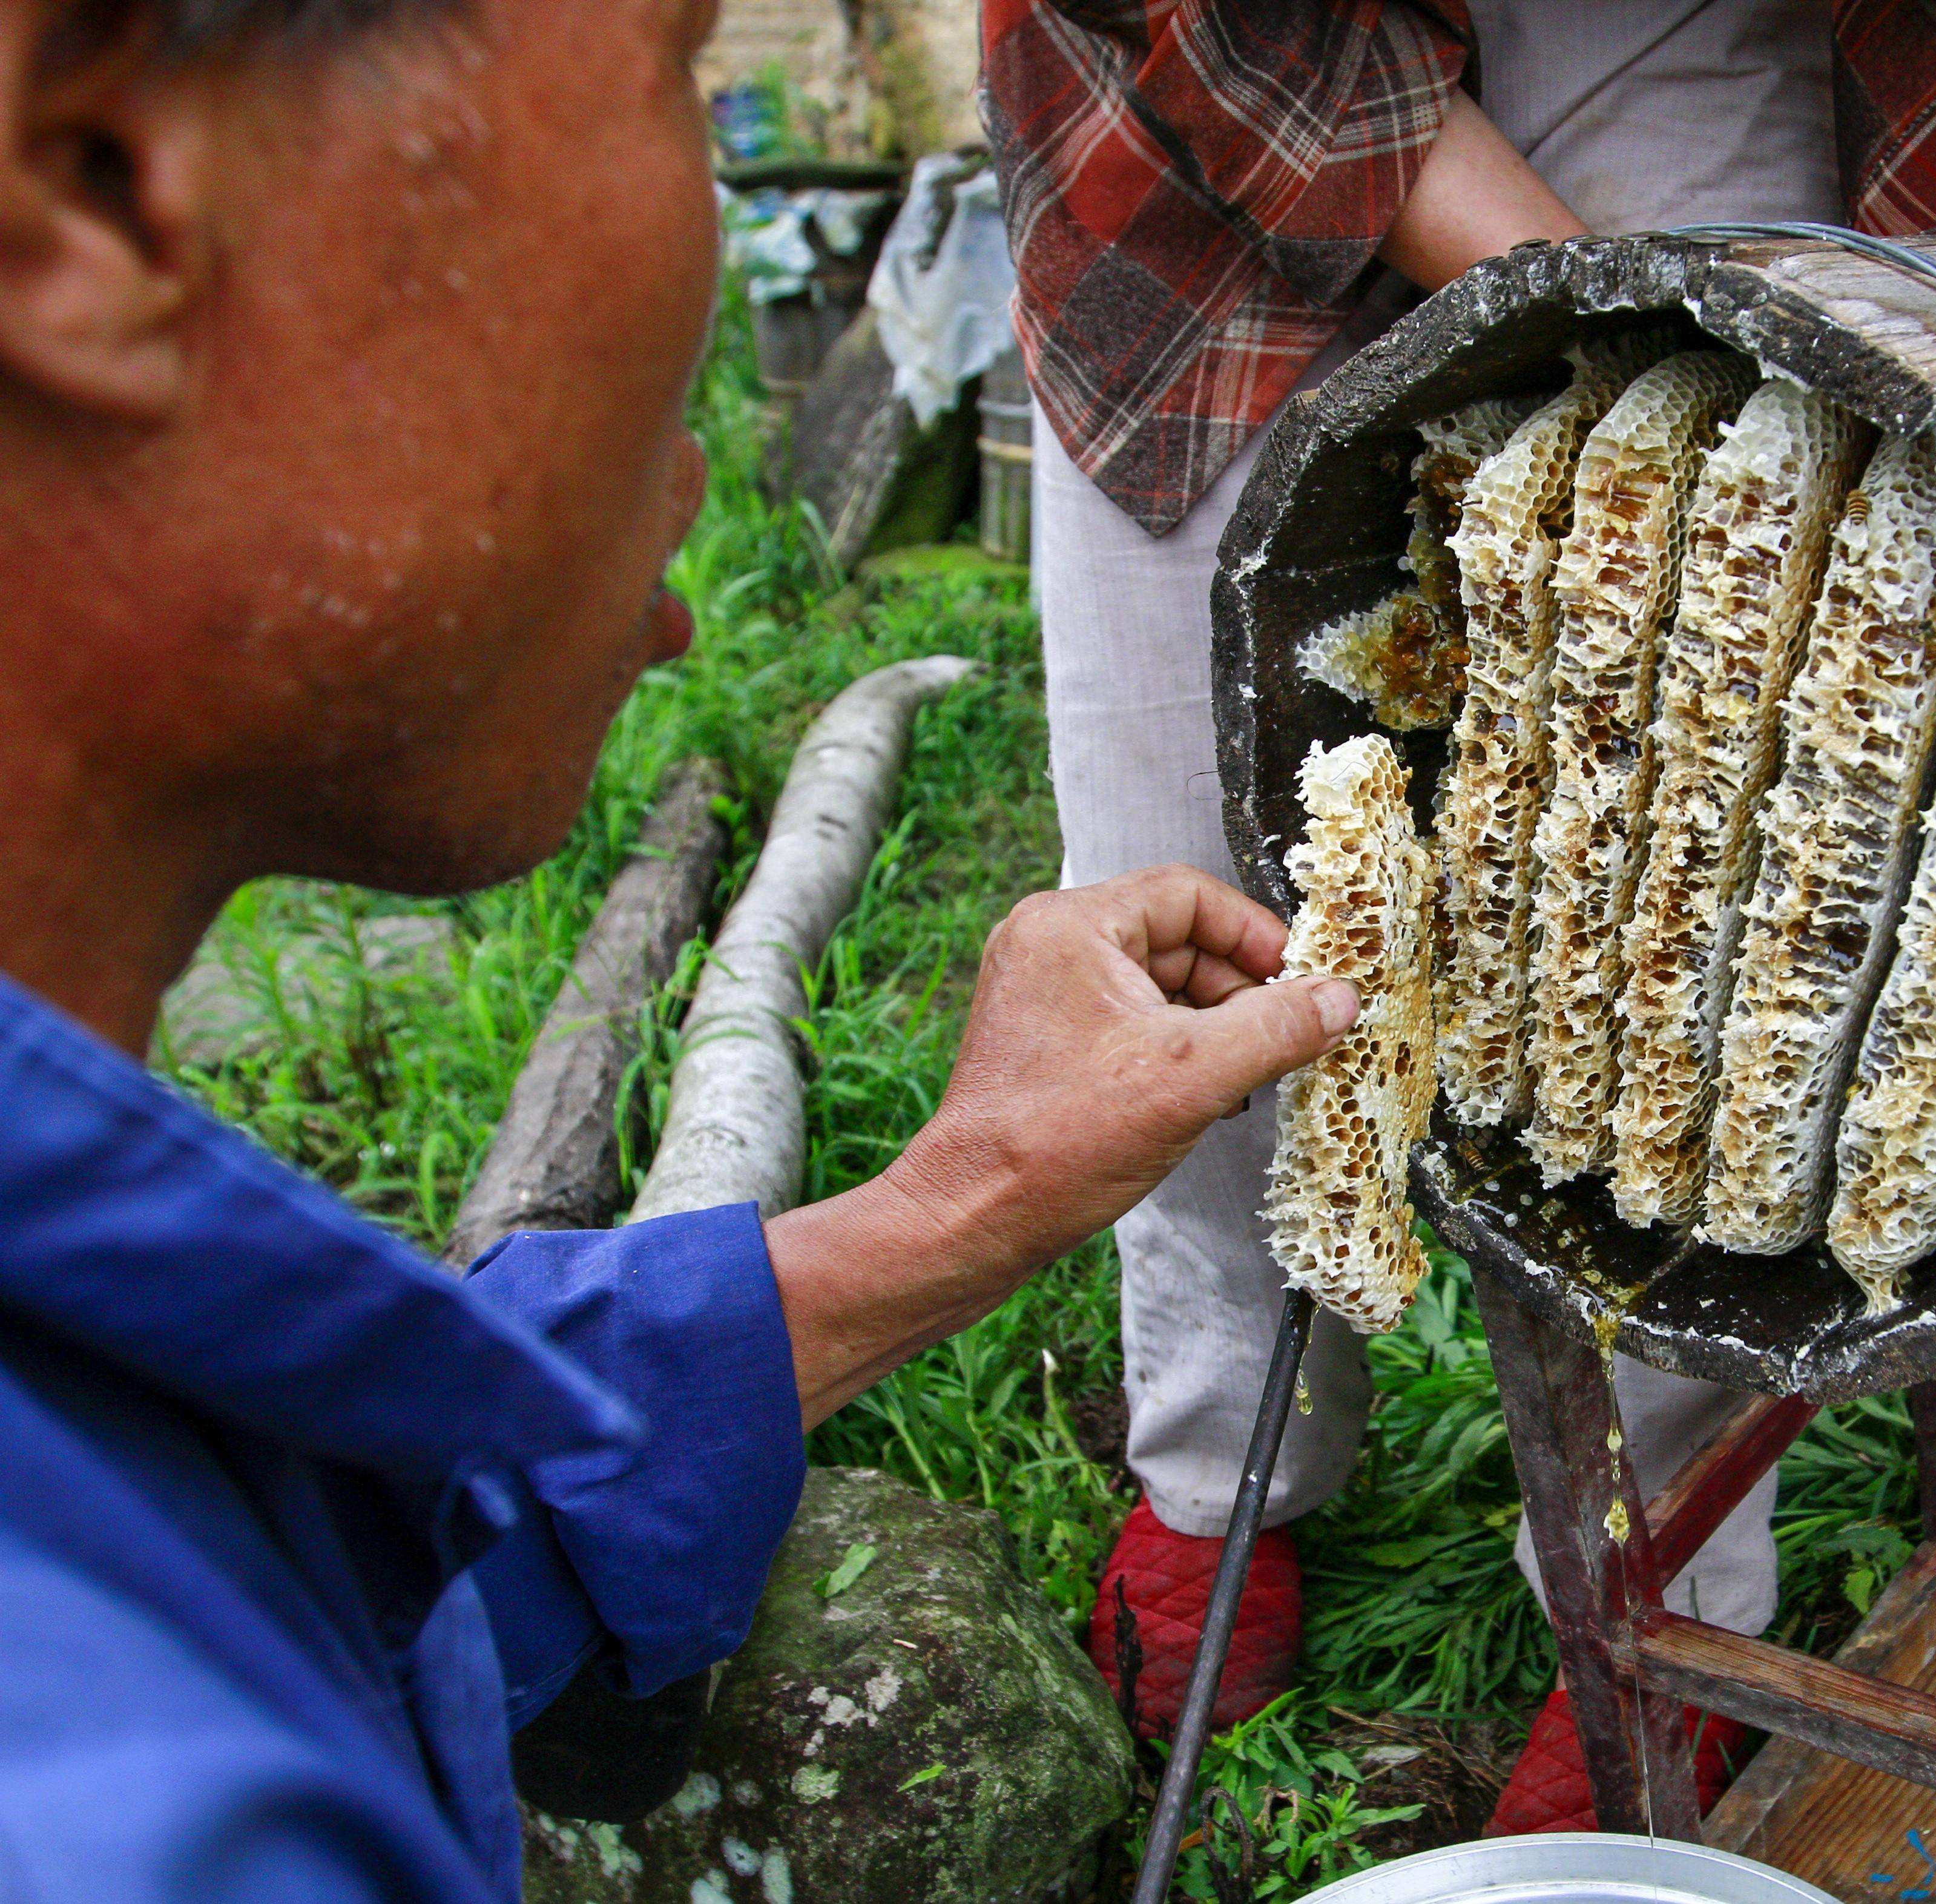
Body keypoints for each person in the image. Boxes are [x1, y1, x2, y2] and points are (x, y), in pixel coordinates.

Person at [990, 0, 1936, 1834]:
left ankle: (1670, 1573)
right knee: (1171, 841)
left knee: (1723, 884)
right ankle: (1215, 1473)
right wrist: (1587, 378)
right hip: (1207, 78)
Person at [0, 1, 1365, 1896]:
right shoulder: (147, 1824)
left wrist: (957, 1198)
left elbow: (362, 1559)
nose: (714, 470)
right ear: (103, 189)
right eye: (675, 67)